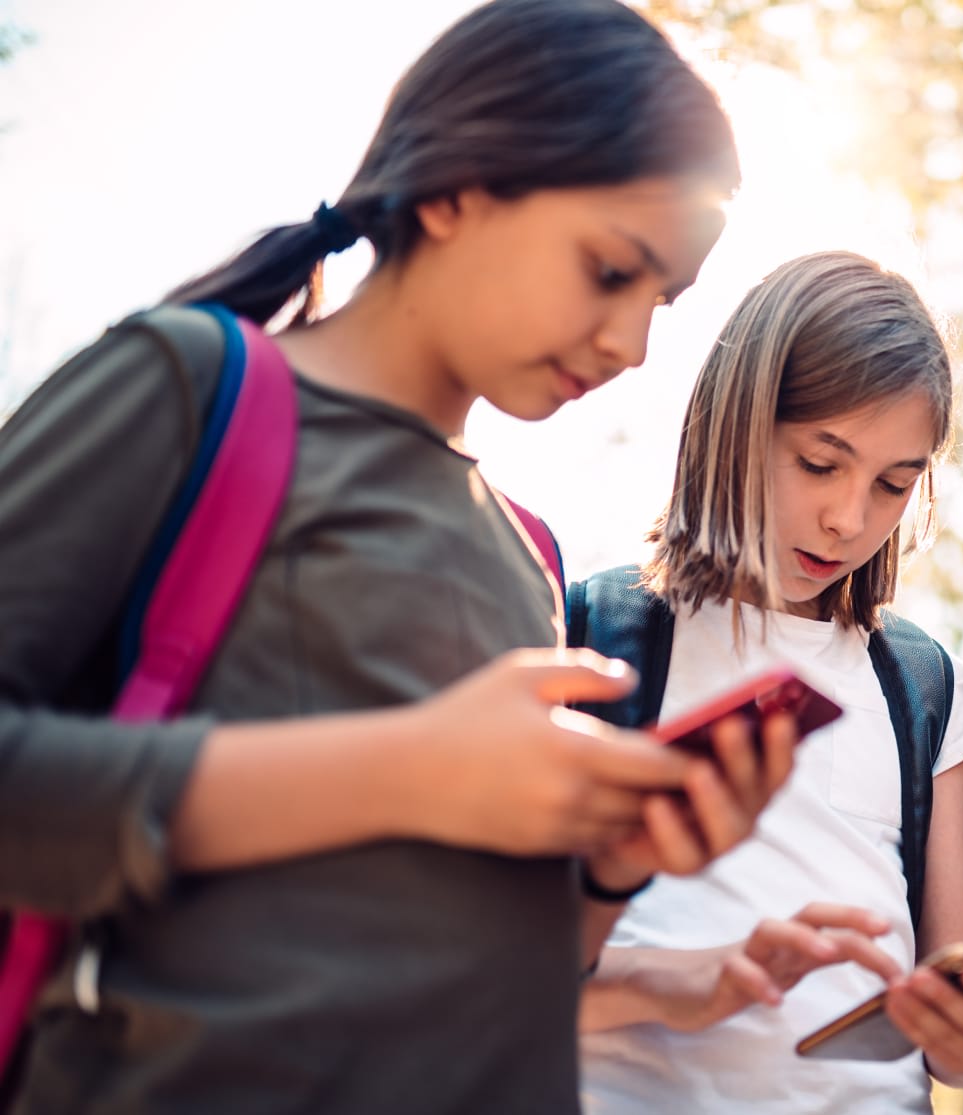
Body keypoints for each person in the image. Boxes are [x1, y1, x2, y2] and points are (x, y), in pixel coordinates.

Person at [0, 2, 793, 1110]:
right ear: (460, 187)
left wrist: (616, 864)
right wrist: (405, 767)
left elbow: (502, 961)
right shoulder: (191, 387)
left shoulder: (530, 549)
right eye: (613, 270)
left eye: (663, 301)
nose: (631, 344)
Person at [570, 251, 963, 1114]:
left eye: (894, 482)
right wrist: (678, 981)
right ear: (737, 422)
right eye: (819, 462)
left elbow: (952, 1047)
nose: (850, 519)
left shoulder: (925, 686)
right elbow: (491, 977)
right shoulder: (591, 635)